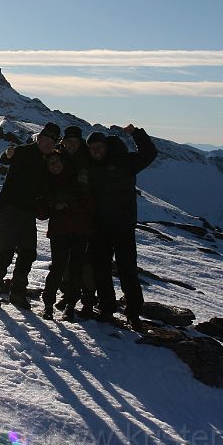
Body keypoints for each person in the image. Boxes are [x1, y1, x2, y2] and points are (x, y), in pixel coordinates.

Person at [85, 125, 158, 329]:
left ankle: (133, 313)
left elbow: (150, 153)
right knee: (101, 270)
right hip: (99, 228)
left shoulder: (124, 162)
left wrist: (136, 133)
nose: (96, 151)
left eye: (99, 147)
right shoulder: (90, 166)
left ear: (106, 147)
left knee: (127, 270)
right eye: (92, 148)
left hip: (123, 227)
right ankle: (107, 308)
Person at [0, 121, 59, 309]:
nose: (48, 144)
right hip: (10, 209)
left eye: (52, 142)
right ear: (40, 138)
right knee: (5, 252)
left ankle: (17, 293)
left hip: (28, 212)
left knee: (28, 253)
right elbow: (6, 158)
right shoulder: (25, 151)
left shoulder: (49, 160)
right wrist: (8, 154)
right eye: (46, 139)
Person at [37, 146, 94, 320]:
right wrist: (51, 206)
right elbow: (41, 214)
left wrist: (66, 205)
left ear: (63, 163)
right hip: (59, 231)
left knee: (75, 267)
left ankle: (70, 304)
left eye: (57, 162)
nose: (54, 166)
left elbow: (87, 203)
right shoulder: (47, 184)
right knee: (58, 267)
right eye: (51, 164)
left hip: (79, 230)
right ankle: (48, 304)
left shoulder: (76, 179)